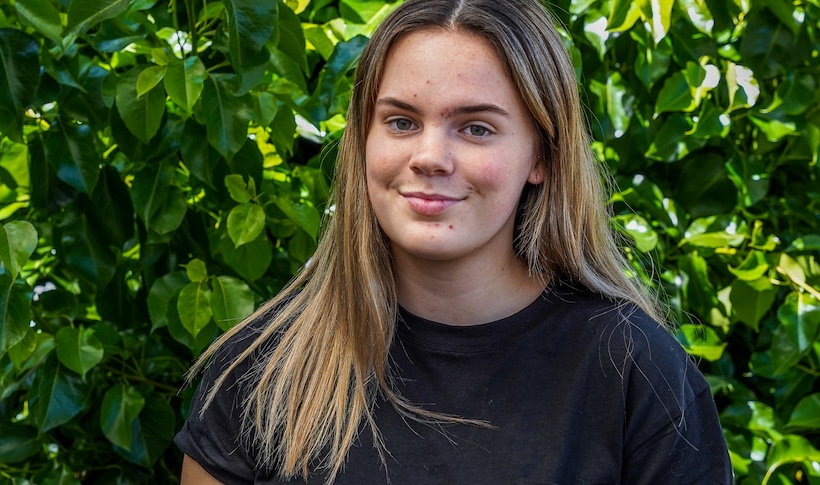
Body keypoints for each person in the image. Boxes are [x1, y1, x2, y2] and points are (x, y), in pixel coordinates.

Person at [175, 0, 734, 483]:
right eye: (400, 122)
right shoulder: (262, 370)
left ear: (541, 156)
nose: (429, 158)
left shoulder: (634, 374)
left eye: (476, 128)